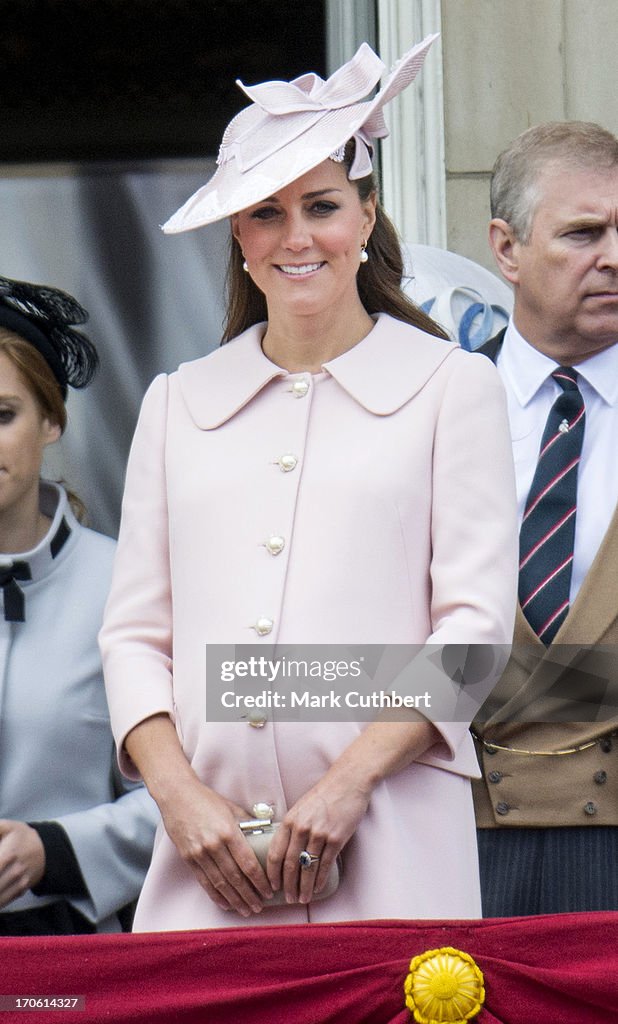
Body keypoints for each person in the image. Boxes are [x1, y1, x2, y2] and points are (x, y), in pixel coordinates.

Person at [99, 37, 518, 932]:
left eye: (322, 206)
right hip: (204, 866)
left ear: (366, 218)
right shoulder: (178, 403)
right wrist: (178, 801)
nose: (296, 237)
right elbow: (134, 636)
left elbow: (475, 636)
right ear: (238, 235)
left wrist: (346, 785)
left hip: (393, 842)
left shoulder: (453, 389)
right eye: (265, 213)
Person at [472, 121, 618, 915]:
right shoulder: (422, 410)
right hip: (452, 842)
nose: (615, 257)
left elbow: (396, 674)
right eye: (584, 233)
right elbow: (355, 660)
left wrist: (466, 687)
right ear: (507, 248)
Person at [0, 275, 158, 934]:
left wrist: (53, 849)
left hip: (68, 960)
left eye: (2, 415)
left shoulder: (126, 586)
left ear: (52, 421)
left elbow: (187, 796)